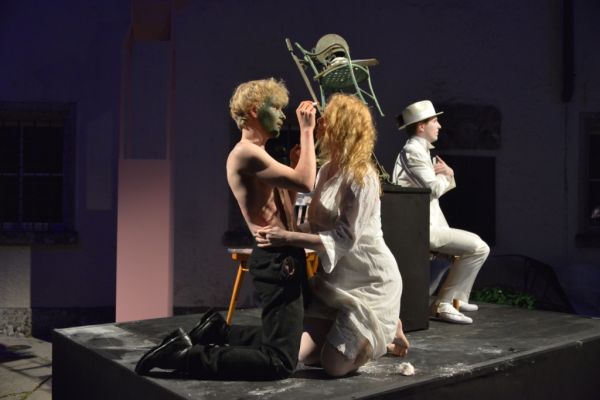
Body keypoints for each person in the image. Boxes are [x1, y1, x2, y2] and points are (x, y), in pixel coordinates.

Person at [135, 78, 317, 380]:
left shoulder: (260, 153)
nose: (283, 115)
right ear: (255, 109)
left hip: (285, 253)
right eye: (277, 108)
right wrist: (307, 132)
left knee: (287, 344)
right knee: (280, 362)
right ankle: (185, 355)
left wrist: (298, 161)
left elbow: (289, 199)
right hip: (276, 258)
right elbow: (307, 182)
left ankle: (217, 331)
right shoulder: (245, 153)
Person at [255, 93, 409, 377]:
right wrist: (285, 232)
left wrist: (287, 238)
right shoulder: (327, 169)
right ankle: (378, 332)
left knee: (333, 367)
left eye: (328, 118)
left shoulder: (361, 177)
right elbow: (315, 224)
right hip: (338, 284)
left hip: (371, 282)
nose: (321, 122)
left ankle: (385, 329)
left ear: (343, 127)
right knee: (303, 356)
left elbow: (343, 239)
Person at [392, 100, 490, 324]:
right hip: (421, 228)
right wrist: (447, 174)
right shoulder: (413, 151)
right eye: (435, 121)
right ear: (421, 126)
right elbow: (432, 189)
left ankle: (454, 299)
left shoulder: (419, 150)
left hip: (426, 225)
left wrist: (447, 174)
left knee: (454, 256)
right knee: (479, 248)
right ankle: (443, 303)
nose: (440, 126)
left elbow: (431, 189)